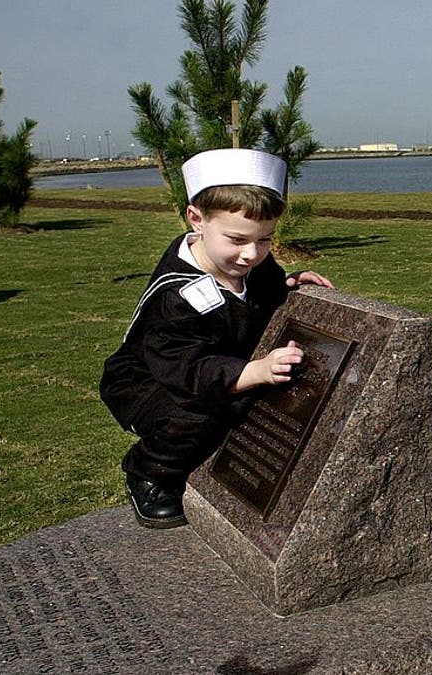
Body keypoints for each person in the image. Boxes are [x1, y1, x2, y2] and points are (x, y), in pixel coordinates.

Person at [100, 148, 334, 529]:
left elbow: (264, 285)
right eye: (237, 239)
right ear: (196, 219)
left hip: (211, 365)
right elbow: (188, 371)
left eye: (266, 240)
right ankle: (148, 472)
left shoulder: (246, 259)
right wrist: (255, 371)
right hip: (150, 379)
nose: (251, 255)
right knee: (194, 417)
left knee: (237, 407)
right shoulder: (176, 297)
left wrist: (288, 284)